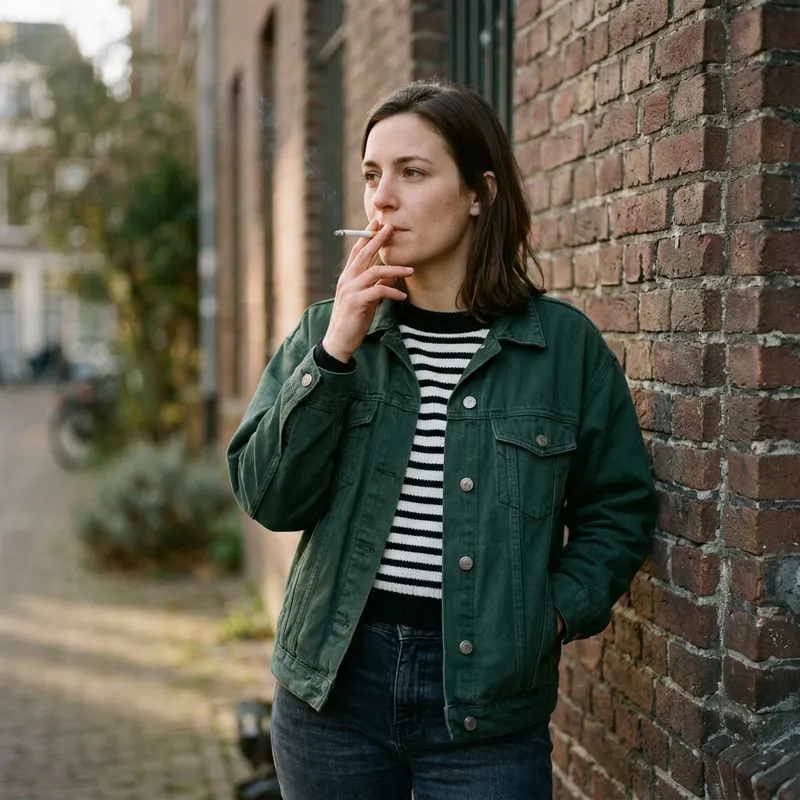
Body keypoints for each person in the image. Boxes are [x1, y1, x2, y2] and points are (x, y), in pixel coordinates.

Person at [227, 80, 656, 800]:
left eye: (413, 172)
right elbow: (269, 497)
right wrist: (334, 353)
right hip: (332, 694)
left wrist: (548, 615)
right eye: (372, 175)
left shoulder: (563, 348)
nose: (381, 199)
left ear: (479, 193)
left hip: (486, 712)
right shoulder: (329, 334)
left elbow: (620, 507)